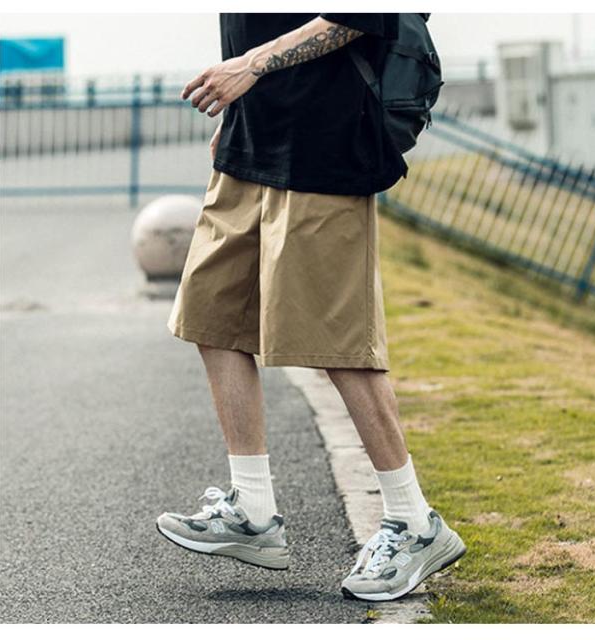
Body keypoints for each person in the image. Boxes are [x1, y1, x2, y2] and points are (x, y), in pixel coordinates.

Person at [156, 13, 465, 602]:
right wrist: (242, 107)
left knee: (337, 342)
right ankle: (252, 510)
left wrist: (251, 66)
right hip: (252, 135)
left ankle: (414, 522)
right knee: (211, 316)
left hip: (326, 144)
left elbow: (364, 14)